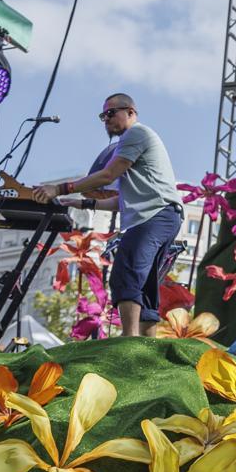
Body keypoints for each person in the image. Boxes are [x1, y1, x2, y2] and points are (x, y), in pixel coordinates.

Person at [34, 93, 184, 336]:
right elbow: (123, 202)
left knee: (125, 273)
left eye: (111, 113)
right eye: (103, 115)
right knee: (145, 283)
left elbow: (107, 175)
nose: (106, 120)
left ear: (131, 112)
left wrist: (60, 188)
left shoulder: (135, 134)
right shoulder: (138, 146)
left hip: (155, 216)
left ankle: (129, 339)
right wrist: (81, 204)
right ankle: (146, 347)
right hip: (164, 216)